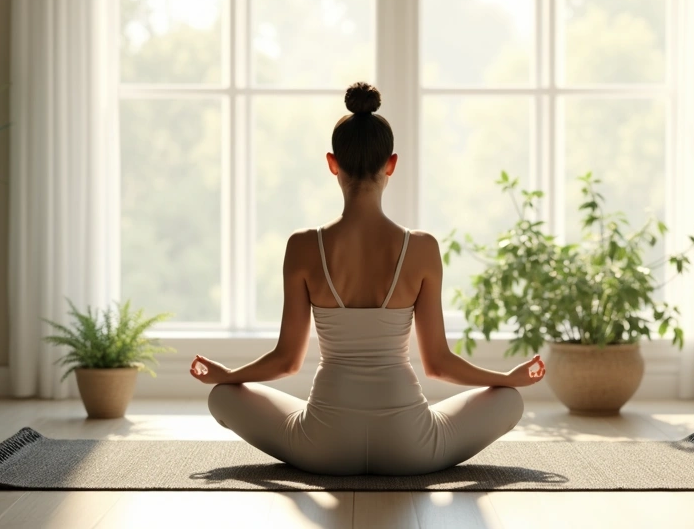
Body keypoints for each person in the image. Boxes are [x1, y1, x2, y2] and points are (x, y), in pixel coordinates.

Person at [189, 81, 546, 476]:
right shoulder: (422, 248)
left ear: (332, 163)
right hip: (411, 446)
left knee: (223, 397)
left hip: (322, 446)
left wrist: (230, 375)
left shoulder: (304, 247)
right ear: (390, 164)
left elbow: (287, 361)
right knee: (510, 400)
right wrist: (505, 377)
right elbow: (439, 365)